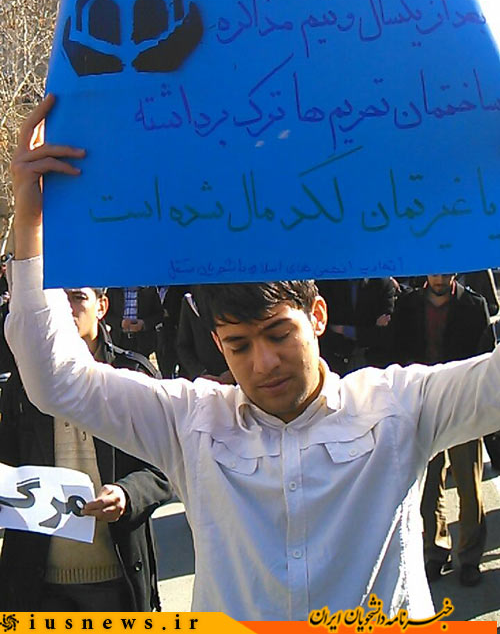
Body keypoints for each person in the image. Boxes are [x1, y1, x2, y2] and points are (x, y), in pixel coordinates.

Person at [6, 95, 500, 621]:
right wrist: (31, 221)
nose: (264, 364)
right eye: (240, 345)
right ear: (218, 344)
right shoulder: (190, 422)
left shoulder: (399, 407)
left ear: (317, 315)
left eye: (278, 335)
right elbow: (55, 379)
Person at [0, 279, 172, 611]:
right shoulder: (24, 384)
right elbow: (7, 460)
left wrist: (127, 494)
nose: (66, 308)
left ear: (102, 307)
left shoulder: (132, 374)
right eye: (59, 299)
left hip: (116, 576)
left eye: (78, 298)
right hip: (38, 583)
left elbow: (164, 469)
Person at [391, 273, 494, 587]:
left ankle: (470, 557)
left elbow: (485, 357)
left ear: (454, 273)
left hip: (464, 404)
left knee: (468, 485)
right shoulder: (408, 305)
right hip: (423, 403)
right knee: (429, 484)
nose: (439, 278)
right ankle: (435, 550)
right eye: (435, 272)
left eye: (445, 272)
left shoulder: (473, 305)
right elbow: (396, 350)